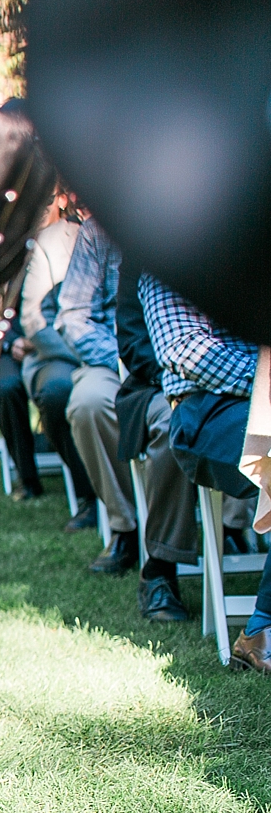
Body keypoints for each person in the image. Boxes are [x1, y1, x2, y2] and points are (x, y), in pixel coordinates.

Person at [141, 275, 268, 671]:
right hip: (208, 410)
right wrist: (265, 374)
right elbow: (186, 351)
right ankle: (261, 629)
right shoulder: (172, 259)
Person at [52, 218, 138, 572]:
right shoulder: (98, 231)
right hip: (114, 357)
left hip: (190, 353)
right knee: (87, 403)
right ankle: (126, 526)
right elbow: (74, 316)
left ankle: (232, 524)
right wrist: (124, 362)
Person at [115, 264, 200, 621]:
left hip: (235, 378)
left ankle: (233, 527)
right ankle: (159, 569)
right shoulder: (143, 258)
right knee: (174, 423)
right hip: (158, 383)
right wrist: (188, 374)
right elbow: (134, 345)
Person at [12, 195, 96, 522]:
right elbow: (34, 319)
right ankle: (88, 492)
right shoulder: (48, 240)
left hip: (115, 350)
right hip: (57, 351)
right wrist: (82, 353)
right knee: (58, 392)